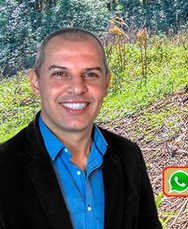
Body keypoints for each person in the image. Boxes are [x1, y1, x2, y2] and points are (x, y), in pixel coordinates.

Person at [0, 27, 161, 229]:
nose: (77, 88)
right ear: (36, 83)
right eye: (60, 73)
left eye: (90, 74)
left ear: (106, 83)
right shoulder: (4, 166)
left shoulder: (129, 156)